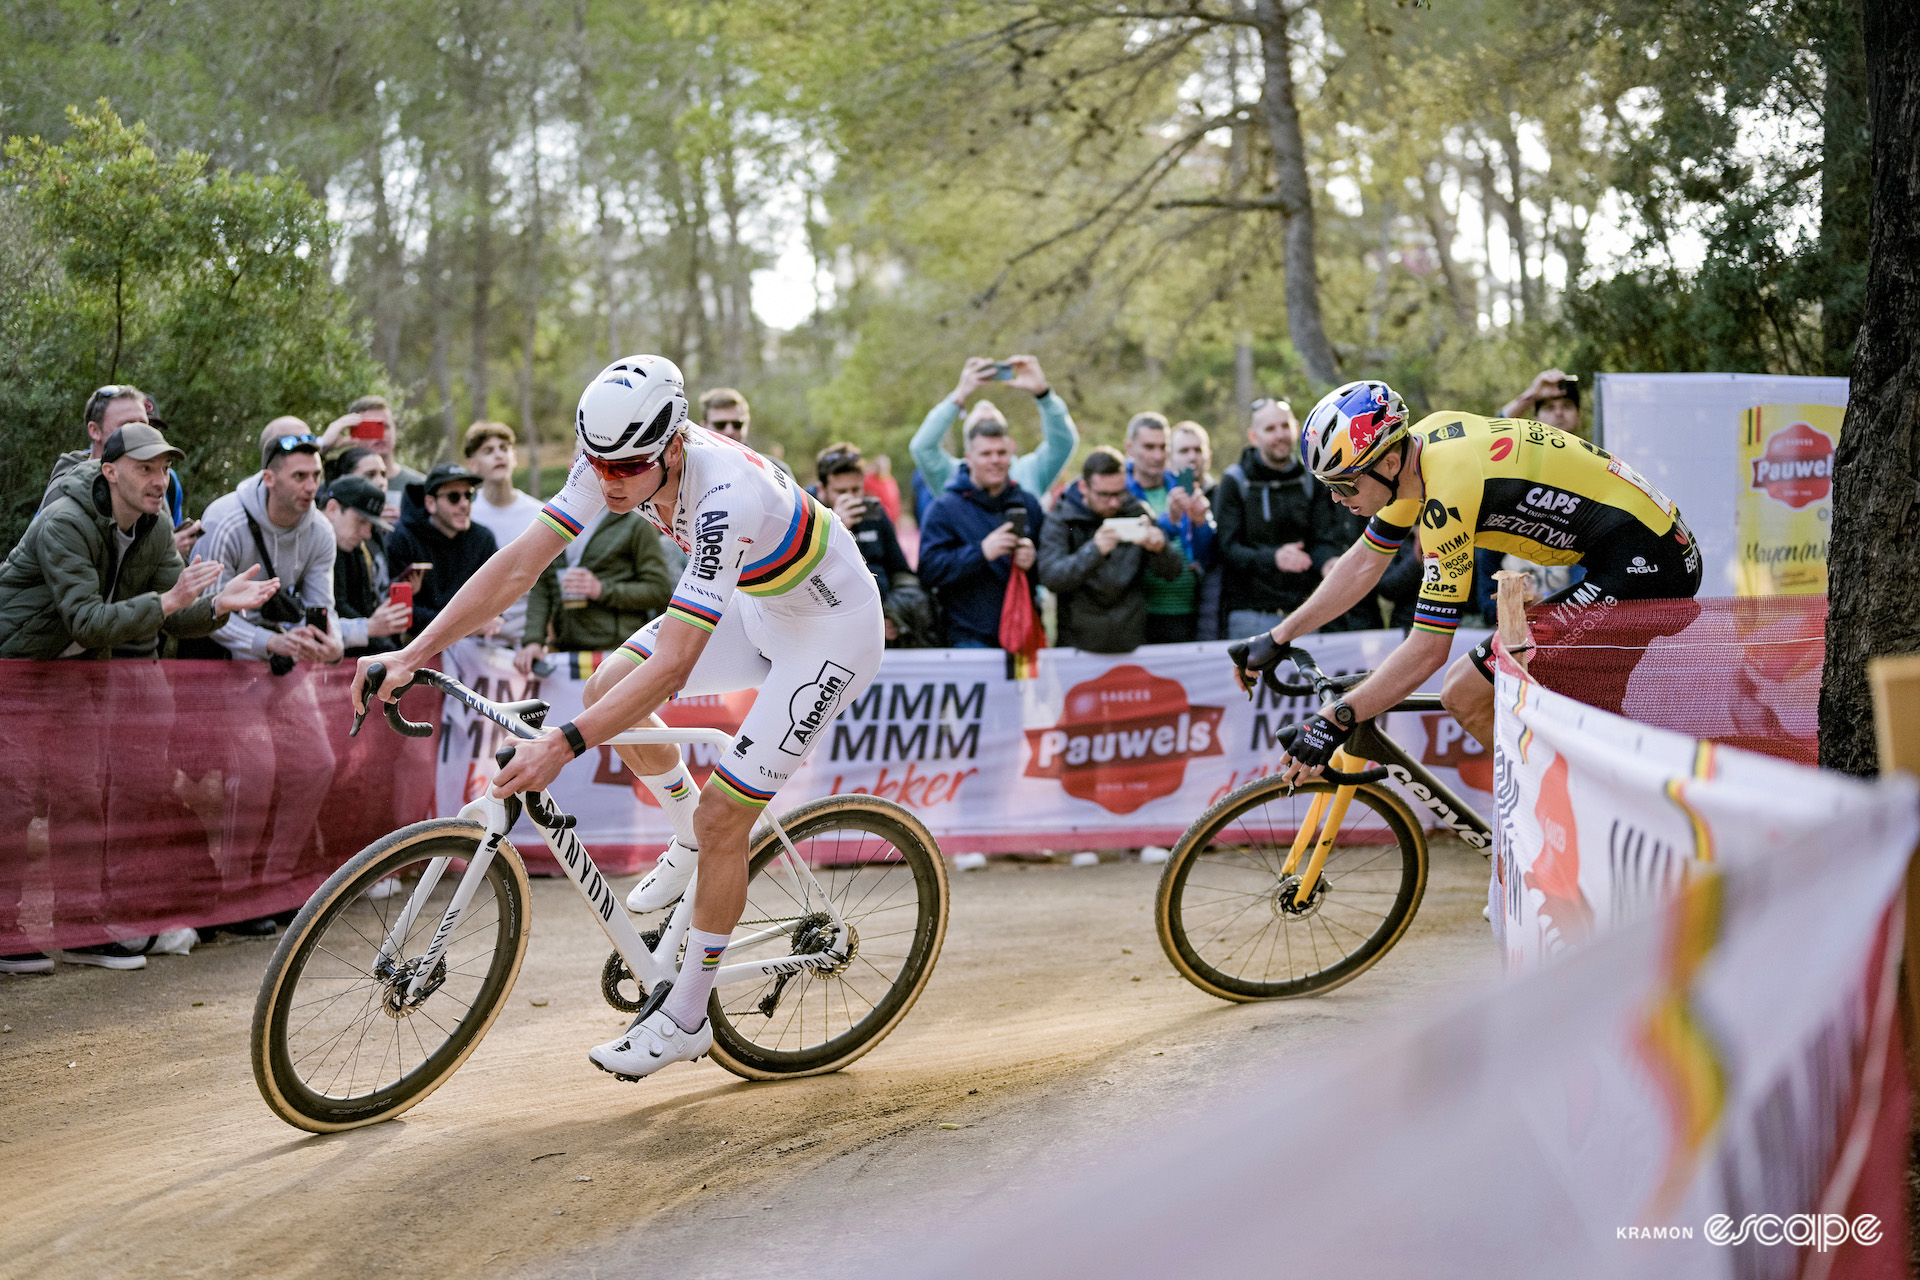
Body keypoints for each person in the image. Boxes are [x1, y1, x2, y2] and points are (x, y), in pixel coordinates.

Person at [357, 353, 886, 1083]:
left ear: (673, 444)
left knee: (725, 818)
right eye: (598, 465)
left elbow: (673, 669)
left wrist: (563, 747)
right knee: (612, 677)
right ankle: (687, 835)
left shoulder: (724, 492)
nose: (609, 482)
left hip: (832, 632)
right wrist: (413, 654)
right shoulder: (613, 456)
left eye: (627, 468)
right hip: (763, 605)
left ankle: (688, 1016)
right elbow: (519, 567)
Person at [1236, 379, 1702, 781]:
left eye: (1345, 485)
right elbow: (1361, 564)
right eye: (1329, 487)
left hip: (1649, 558)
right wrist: (1278, 636)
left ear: (1388, 463)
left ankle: (1567, 814)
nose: (1337, 499)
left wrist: (1338, 717)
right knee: (1528, 693)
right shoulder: (1414, 457)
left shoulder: (1447, 492)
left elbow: (1429, 649)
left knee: (1466, 691)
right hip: (1623, 551)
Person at [0, 425, 278, 973]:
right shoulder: (64, 522)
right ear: (110, 470)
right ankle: (6, 933)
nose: (159, 480)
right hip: (14, 669)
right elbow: (89, 619)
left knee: (82, 794)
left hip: (75, 673)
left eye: (164, 468)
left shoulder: (154, 526)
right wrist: (169, 600)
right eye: (145, 468)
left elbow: (177, 610)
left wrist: (219, 603)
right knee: (11, 800)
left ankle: (80, 930)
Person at [192, 420, 345, 932]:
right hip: (228, 662)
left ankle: (275, 883)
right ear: (269, 478)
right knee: (254, 772)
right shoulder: (226, 522)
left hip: (281, 662)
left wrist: (329, 642)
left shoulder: (319, 530)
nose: (311, 487)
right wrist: (266, 642)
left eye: (316, 475)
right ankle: (233, 891)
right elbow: (199, 609)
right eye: (299, 476)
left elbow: (322, 607)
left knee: (316, 764)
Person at [1215, 399, 1358, 637]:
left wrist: (1328, 563)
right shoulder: (1235, 481)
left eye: (1284, 426)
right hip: (1249, 616)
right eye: (1270, 429)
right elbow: (1227, 548)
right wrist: (1273, 558)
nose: (1280, 434)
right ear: (1253, 436)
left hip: (1304, 614)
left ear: (1296, 428)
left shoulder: (1312, 479)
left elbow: (1322, 540)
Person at [1037, 446, 1183, 653]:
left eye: (1119, 493)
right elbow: (1051, 577)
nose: (1114, 502)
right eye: (1104, 495)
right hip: (1078, 646)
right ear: (1083, 488)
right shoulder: (1061, 518)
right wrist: (1094, 551)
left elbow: (1172, 571)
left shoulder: (1136, 511)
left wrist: (1161, 549)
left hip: (1130, 643)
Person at [917, 416, 1045, 649]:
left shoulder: (1028, 503)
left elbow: (1050, 569)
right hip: (969, 639)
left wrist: (1032, 561)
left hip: (1023, 635)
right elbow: (929, 571)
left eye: (1001, 453)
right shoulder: (945, 508)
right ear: (968, 458)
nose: (995, 460)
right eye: (986, 454)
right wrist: (981, 552)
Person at [910, 356, 1079, 521]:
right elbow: (922, 447)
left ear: (1008, 443)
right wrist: (957, 396)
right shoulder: (951, 476)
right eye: (978, 431)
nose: (994, 459)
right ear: (968, 451)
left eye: (994, 428)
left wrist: (1044, 395)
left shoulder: (1029, 471)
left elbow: (1062, 444)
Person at [517, 492, 674, 667]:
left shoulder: (636, 521)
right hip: (566, 652)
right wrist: (533, 641)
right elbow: (543, 586)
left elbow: (659, 590)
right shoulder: (558, 519)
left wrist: (601, 589)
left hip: (618, 652)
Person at [45, 385, 199, 559]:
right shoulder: (65, 488)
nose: (139, 434)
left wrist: (169, 550)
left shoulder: (160, 482)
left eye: (145, 425)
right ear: (94, 431)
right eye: (127, 426)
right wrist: (163, 552)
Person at [814, 442, 932, 646]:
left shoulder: (875, 515)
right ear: (822, 489)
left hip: (880, 627)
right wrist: (837, 529)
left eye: (856, 489)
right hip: (830, 631)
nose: (851, 497)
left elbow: (901, 572)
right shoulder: (810, 518)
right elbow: (807, 579)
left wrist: (894, 614)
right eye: (841, 491)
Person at [1123, 412, 1215, 644]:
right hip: (1139, 610)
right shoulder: (1120, 491)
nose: (1157, 455)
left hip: (1185, 609)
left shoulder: (1181, 485)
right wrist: (1170, 519)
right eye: (1149, 446)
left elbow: (1206, 553)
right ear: (1130, 448)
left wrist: (1201, 522)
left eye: (1163, 447)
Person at [384, 463, 500, 639]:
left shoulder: (483, 538)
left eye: (469, 496)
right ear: (430, 503)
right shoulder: (402, 538)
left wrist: (492, 619)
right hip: (416, 641)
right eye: (454, 497)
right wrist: (464, 627)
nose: (464, 504)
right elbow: (402, 609)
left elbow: (497, 593)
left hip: (472, 642)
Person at [464, 421, 544, 649]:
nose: (499, 455)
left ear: (515, 457)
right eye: (488, 451)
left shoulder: (538, 513)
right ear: (472, 464)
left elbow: (547, 583)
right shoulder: (465, 514)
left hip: (526, 641)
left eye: (504, 448)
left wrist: (541, 637)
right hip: (475, 640)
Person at [322, 475, 410, 658]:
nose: (367, 534)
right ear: (332, 509)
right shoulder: (315, 542)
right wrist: (371, 628)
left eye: (370, 525)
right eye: (361, 521)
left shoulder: (352, 547)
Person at [317, 395, 420, 522]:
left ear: (395, 430)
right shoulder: (339, 485)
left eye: (385, 427)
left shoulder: (418, 485)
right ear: (353, 434)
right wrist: (323, 446)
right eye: (371, 428)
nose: (380, 435)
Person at [697, 387, 791, 477]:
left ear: (747, 424)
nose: (730, 431)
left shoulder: (775, 471)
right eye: (720, 425)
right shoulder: (691, 471)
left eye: (737, 424)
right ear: (703, 427)